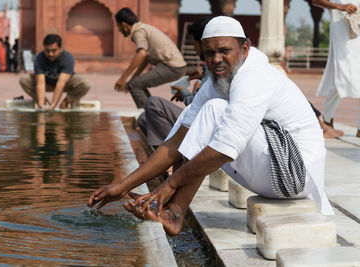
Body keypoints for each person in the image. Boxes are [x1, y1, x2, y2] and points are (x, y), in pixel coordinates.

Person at [88, 16, 334, 236]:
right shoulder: (219, 79)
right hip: (270, 173)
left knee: (214, 113)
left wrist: (169, 185)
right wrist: (123, 186)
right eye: (209, 53)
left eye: (225, 51)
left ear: (245, 48)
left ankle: (175, 212)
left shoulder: (255, 76)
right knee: (200, 126)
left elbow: (225, 149)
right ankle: (173, 212)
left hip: (295, 174)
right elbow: (177, 142)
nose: (216, 59)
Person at [137, 16, 212, 148]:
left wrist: (183, 92)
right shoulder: (209, 68)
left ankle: (169, 157)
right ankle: (162, 155)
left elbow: (199, 106)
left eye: (195, 44)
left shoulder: (215, 66)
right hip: (197, 121)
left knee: (154, 103)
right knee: (144, 118)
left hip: (203, 126)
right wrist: (202, 75)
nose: (194, 49)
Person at [114, 7, 187, 109]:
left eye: (118, 26)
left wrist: (123, 78)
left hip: (172, 67)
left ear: (124, 25)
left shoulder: (138, 31)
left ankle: (151, 117)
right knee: (135, 84)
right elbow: (145, 58)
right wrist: (132, 78)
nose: (119, 30)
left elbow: (142, 54)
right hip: (175, 66)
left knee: (134, 85)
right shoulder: (143, 28)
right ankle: (153, 113)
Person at [313, 0, 360, 137]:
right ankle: (327, 121)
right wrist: (339, 7)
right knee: (343, 78)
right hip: (341, 33)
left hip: (357, 28)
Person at [19, 34, 91, 110]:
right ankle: (45, 103)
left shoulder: (68, 58)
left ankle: (66, 102)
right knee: (24, 80)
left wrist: (53, 105)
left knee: (85, 84)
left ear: (60, 49)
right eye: (47, 50)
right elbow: (40, 84)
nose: (50, 54)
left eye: (54, 50)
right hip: (47, 83)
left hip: (65, 83)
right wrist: (41, 104)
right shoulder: (39, 58)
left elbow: (61, 84)